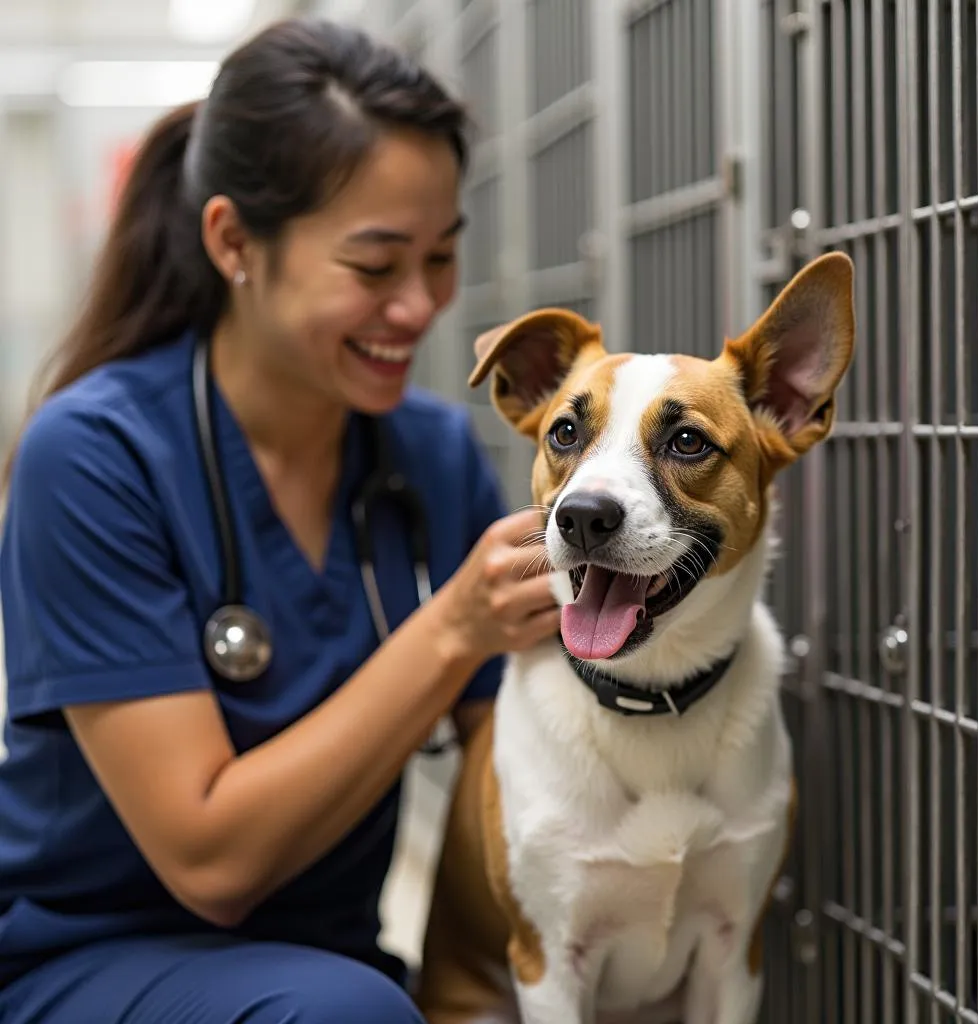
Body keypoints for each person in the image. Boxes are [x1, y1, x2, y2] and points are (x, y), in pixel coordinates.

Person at [0, 18, 560, 1024]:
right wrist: (450, 630)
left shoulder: (429, 455)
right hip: (89, 954)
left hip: (328, 962)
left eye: (439, 258)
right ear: (232, 242)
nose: (420, 304)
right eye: (375, 265)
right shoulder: (93, 456)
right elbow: (208, 859)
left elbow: (519, 759)